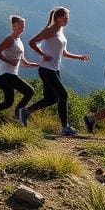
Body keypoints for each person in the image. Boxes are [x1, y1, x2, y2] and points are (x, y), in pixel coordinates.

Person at [19, 7, 91, 136]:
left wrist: (79, 57)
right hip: (46, 69)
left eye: (68, 18)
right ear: (58, 18)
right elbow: (32, 42)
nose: (67, 21)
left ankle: (26, 112)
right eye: (65, 18)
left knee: (51, 99)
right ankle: (65, 128)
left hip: (54, 69)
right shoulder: (50, 30)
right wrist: (43, 54)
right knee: (63, 95)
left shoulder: (60, 31)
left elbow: (64, 53)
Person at [0, 15, 39, 123]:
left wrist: (34, 64)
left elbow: (22, 61)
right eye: (22, 25)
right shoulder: (10, 39)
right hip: (6, 75)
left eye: (24, 25)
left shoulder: (19, 40)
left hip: (10, 75)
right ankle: (18, 116)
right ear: (14, 26)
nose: (24, 27)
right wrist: (8, 61)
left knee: (8, 102)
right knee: (29, 91)